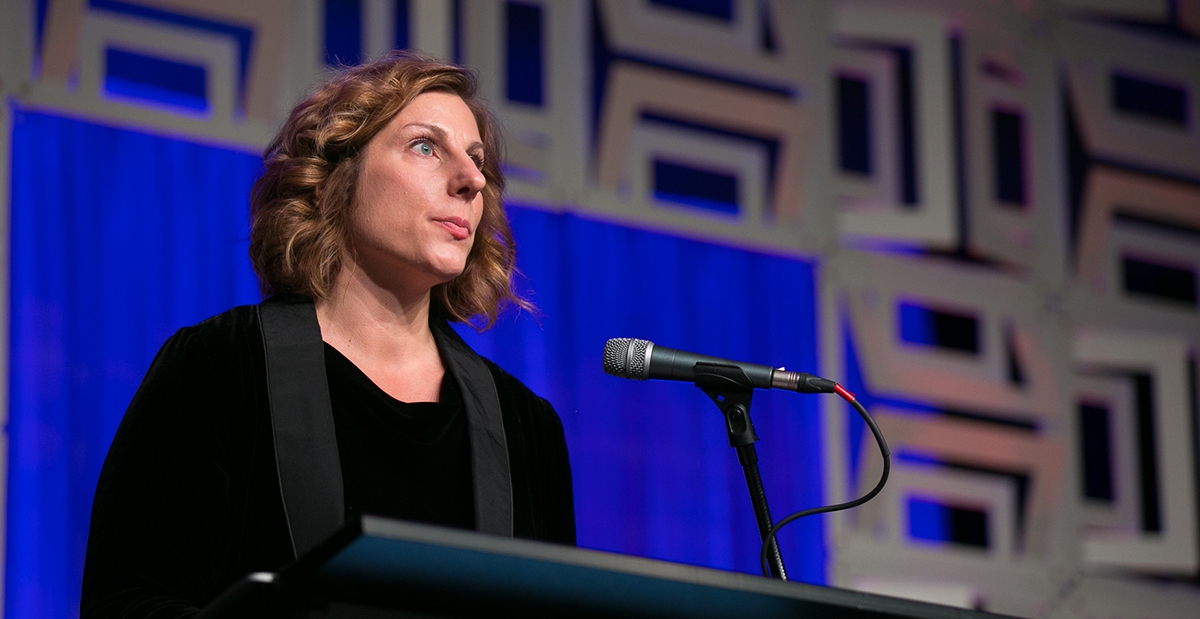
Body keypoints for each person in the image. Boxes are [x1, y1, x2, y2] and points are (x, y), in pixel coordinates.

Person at [81, 51, 575, 618]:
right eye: (425, 146)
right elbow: (126, 603)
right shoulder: (220, 368)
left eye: (477, 161)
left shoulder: (525, 428)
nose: (469, 180)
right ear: (329, 182)